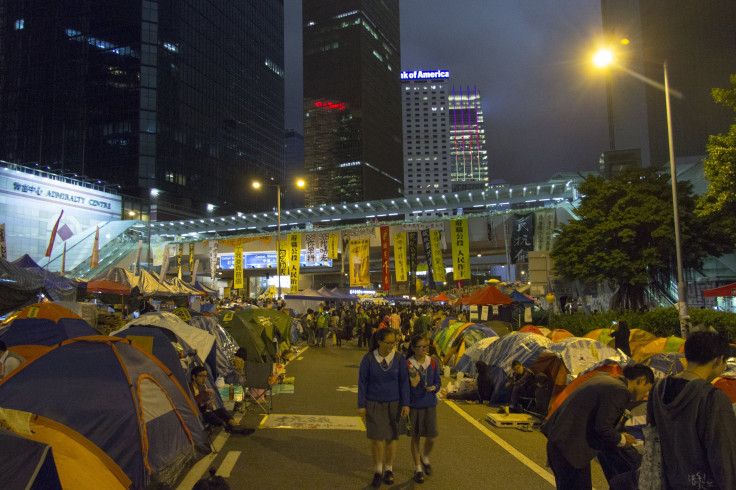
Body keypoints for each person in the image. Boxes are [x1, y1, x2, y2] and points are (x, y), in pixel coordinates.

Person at [540, 364, 654, 490]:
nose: (646, 394)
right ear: (641, 379)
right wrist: (622, 439)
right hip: (570, 450)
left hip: (561, 443)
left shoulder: (604, 380)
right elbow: (603, 428)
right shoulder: (620, 390)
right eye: (647, 389)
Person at [647, 331, 736, 489]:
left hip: (670, 482)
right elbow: (724, 456)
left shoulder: (658, 389)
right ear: (718, 360)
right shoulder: (712, 398)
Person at [357, 328, 410, 488]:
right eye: (388, 343)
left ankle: (389, 469)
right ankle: (378, 470)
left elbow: (404, 382)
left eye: (394, 342)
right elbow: (362, 383)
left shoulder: (400, 358)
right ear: (379, 342)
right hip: (373, 403)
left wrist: (406, 403)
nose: (391, 346)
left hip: (394, 403)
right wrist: (361, 405)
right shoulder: (369, 359)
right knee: (376, 439)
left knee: (391, 438)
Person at [406, 334, 442, 483]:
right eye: (422, 346)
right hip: (414, 405)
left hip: (429, 403)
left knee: (432, 437)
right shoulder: (408, 364)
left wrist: (434, 388)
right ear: (414, 349)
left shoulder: (432, 362)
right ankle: (418, 468)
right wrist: (411, 387)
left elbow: (438, 382)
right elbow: (403, 386)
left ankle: (425, 456)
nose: (425, 349)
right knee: (415, 437)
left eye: (426, 346)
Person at [189, 366, 254, 435]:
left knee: (221, 410)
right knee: (208, 415)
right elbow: (193, 402)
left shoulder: (199, 388)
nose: (204, 379)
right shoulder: (190, 387)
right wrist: (204, 392)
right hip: (195, 415)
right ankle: (228, 427)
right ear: (194, 377)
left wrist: (208, 403)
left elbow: (201, 405)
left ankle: (234, 425)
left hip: (202, 412)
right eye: (201, 376)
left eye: (205, 376)